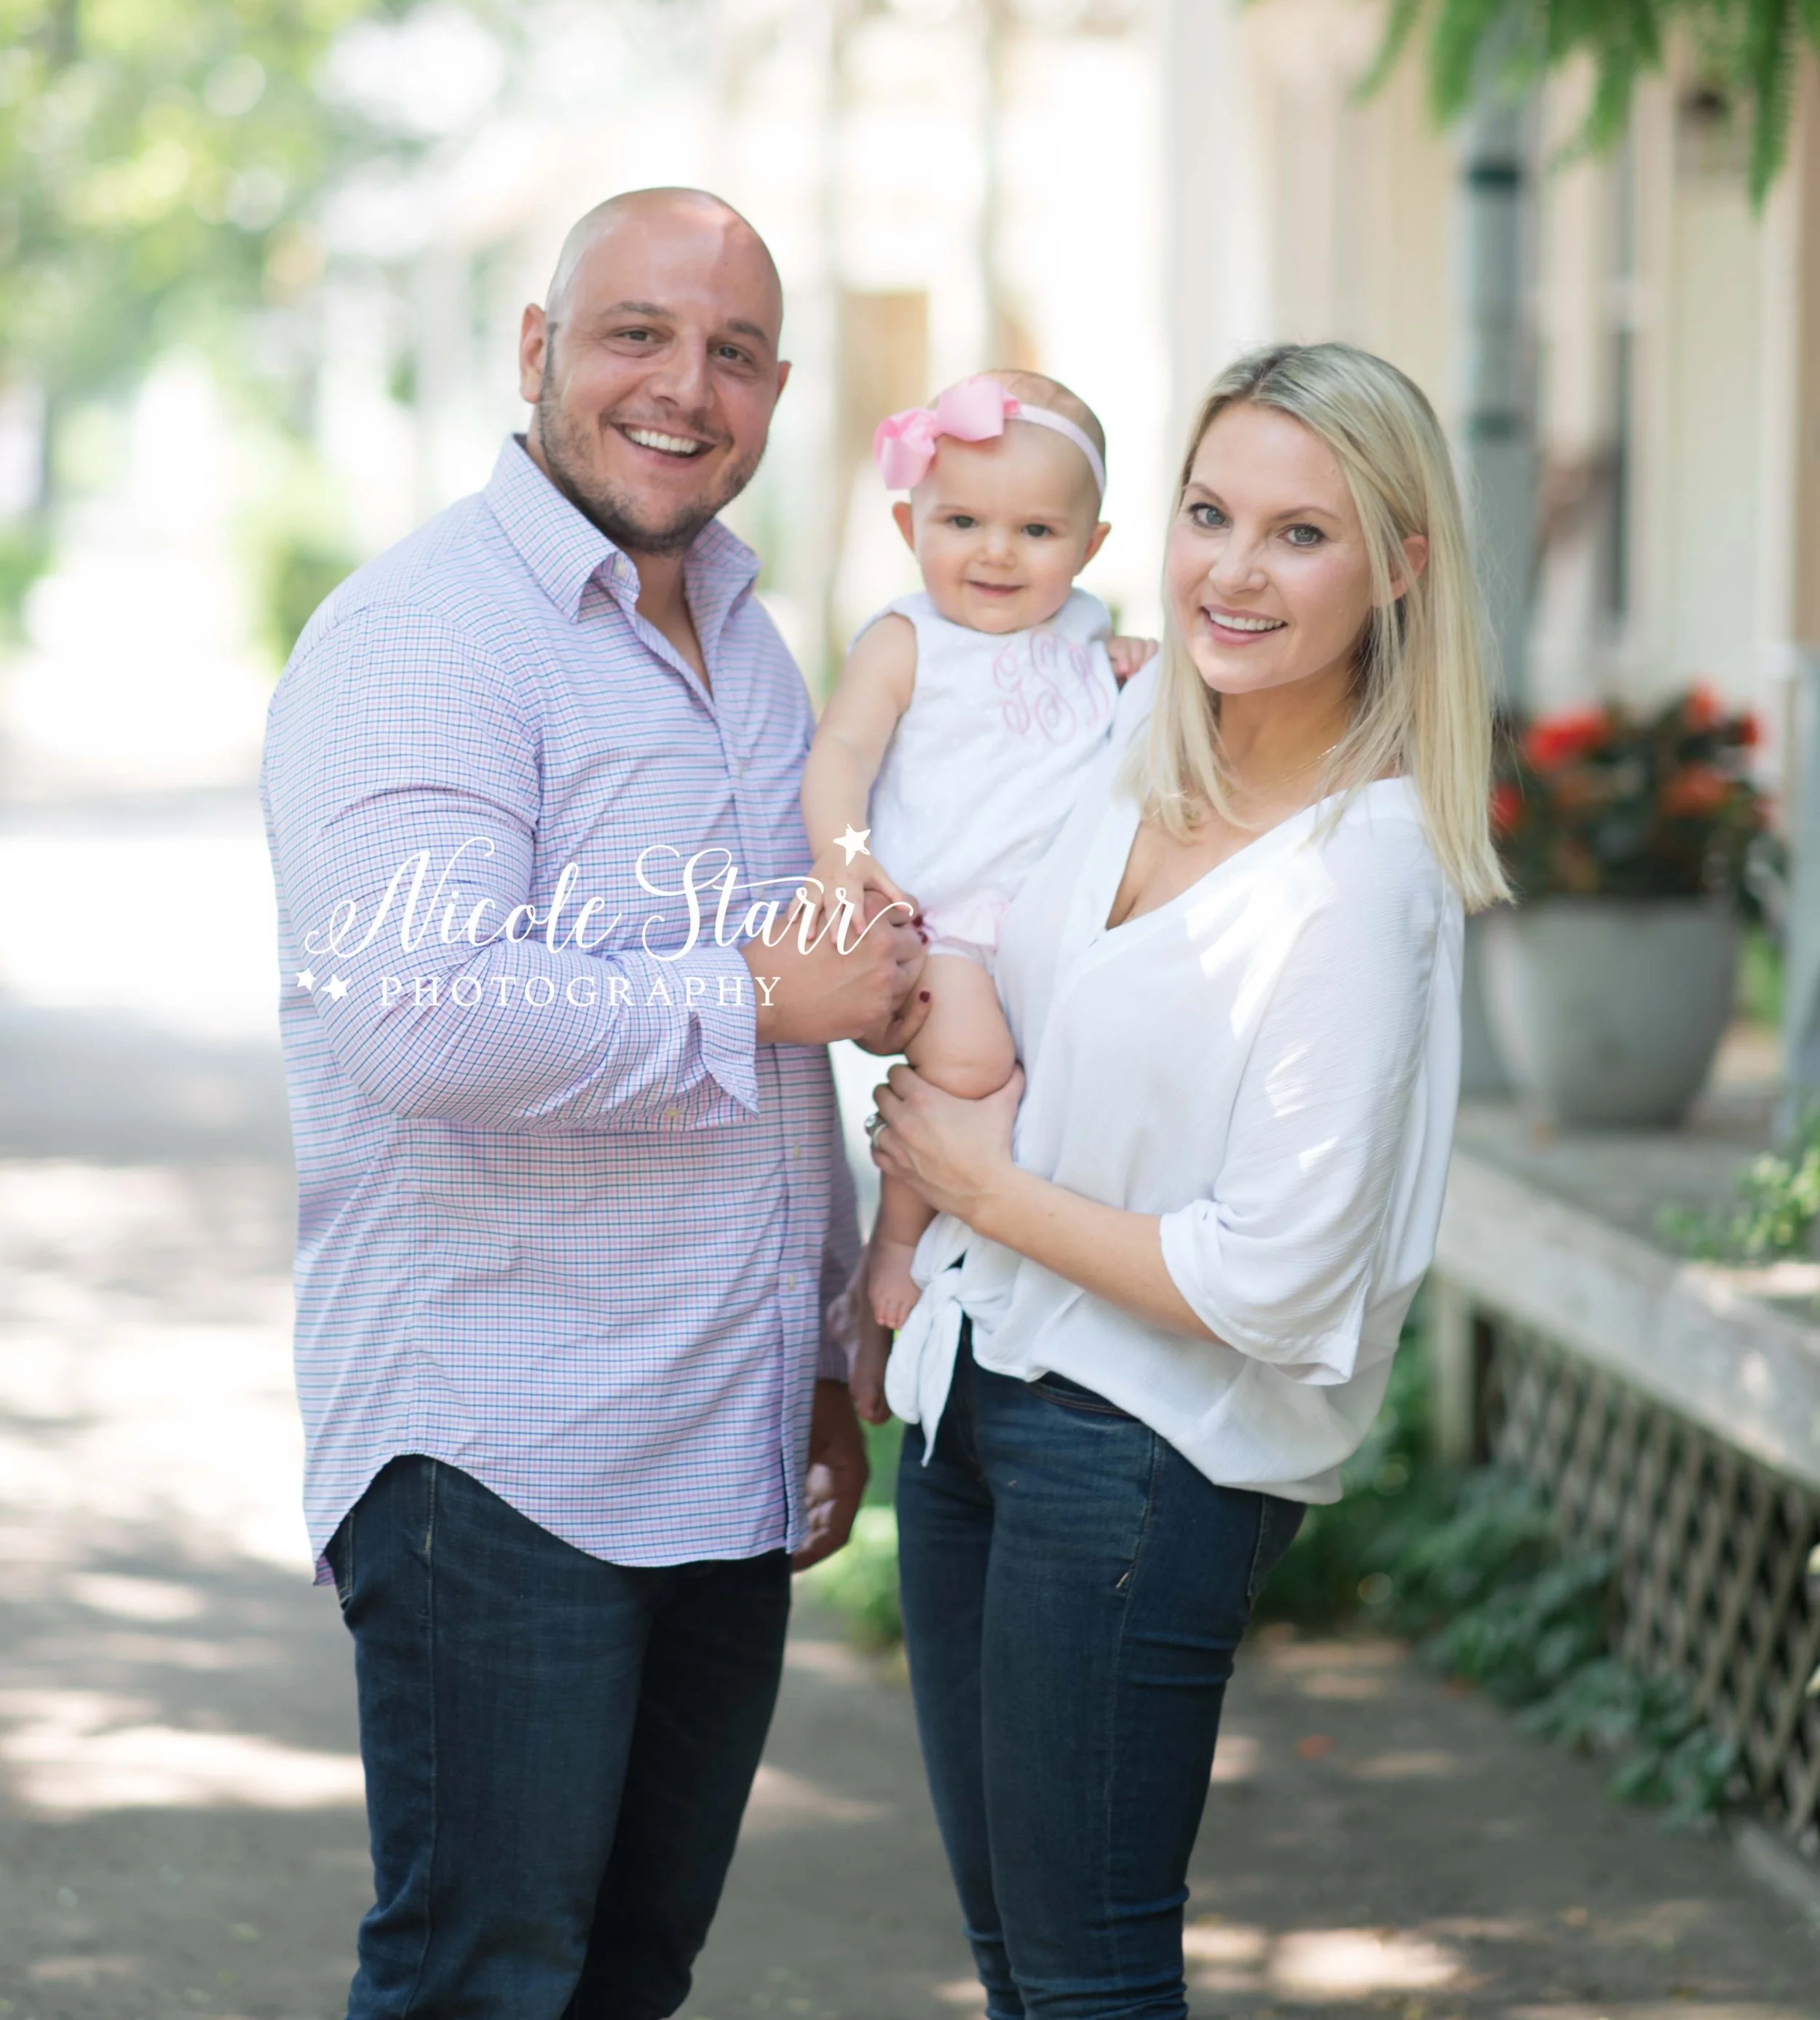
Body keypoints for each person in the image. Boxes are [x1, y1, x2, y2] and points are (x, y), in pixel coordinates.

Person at [261, 186, 924, 2020]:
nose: (683, 387)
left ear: (774, 390)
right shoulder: (423, 639)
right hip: (501, 1447)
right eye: (636, 334)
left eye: (732, 352)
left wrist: (816, 1353)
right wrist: (749, 990)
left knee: (631, 1976)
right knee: (485, 1980)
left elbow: (789, 1055)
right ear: (540, 350)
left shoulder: (748, 643)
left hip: (717, 1441)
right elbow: (416, 1014)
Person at [868, 340, 1508, 2020]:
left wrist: (976, 1188)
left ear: (1396, 568)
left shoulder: (1358, 882)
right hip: (971, 1400)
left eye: (1299, 534)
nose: (1232, 569)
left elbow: (1274, 1284)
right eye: (1207, 513)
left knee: (1087, 1982)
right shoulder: (1119, 746)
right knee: (1018, 1970)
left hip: (1140, 1457)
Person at [799, 369, 1151, 1393]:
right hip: (941, 921)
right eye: (962, 522)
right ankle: (896, 1242)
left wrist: (1126, 657)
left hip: (1057, 929)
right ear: (909, 525)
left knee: (1055, 1096)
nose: (996, 551)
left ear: (1090, 547)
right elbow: (841, 751)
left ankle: (1001, 1266)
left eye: (1036, 531)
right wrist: (845, 855)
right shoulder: (907, 639)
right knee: (970, 1064)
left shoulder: (1086, 630)